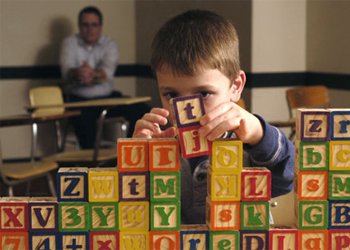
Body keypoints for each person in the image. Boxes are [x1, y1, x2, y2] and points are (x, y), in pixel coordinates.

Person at [132, 9, 294, 224]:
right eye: (171, 94)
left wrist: (259, 134)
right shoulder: (159, 144)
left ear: (236, 86)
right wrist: (135, 161)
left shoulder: (250, 142)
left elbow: (288, 176)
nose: (187, 109)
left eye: (203, 94)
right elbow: (133, 212)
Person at [60, 6, 150, 149]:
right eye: (85, 25)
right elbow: (67, 71)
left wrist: (91, 74)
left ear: (100, 27)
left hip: (106, 98)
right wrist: (78, 73)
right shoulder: (69, 43)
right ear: (79, 26)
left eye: (94, 25)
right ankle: (91, 167)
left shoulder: (110, 44)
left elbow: (107, 72)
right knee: (85, 127)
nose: (90, 29)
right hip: (78, 100)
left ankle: (130, 152)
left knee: (141, 110)